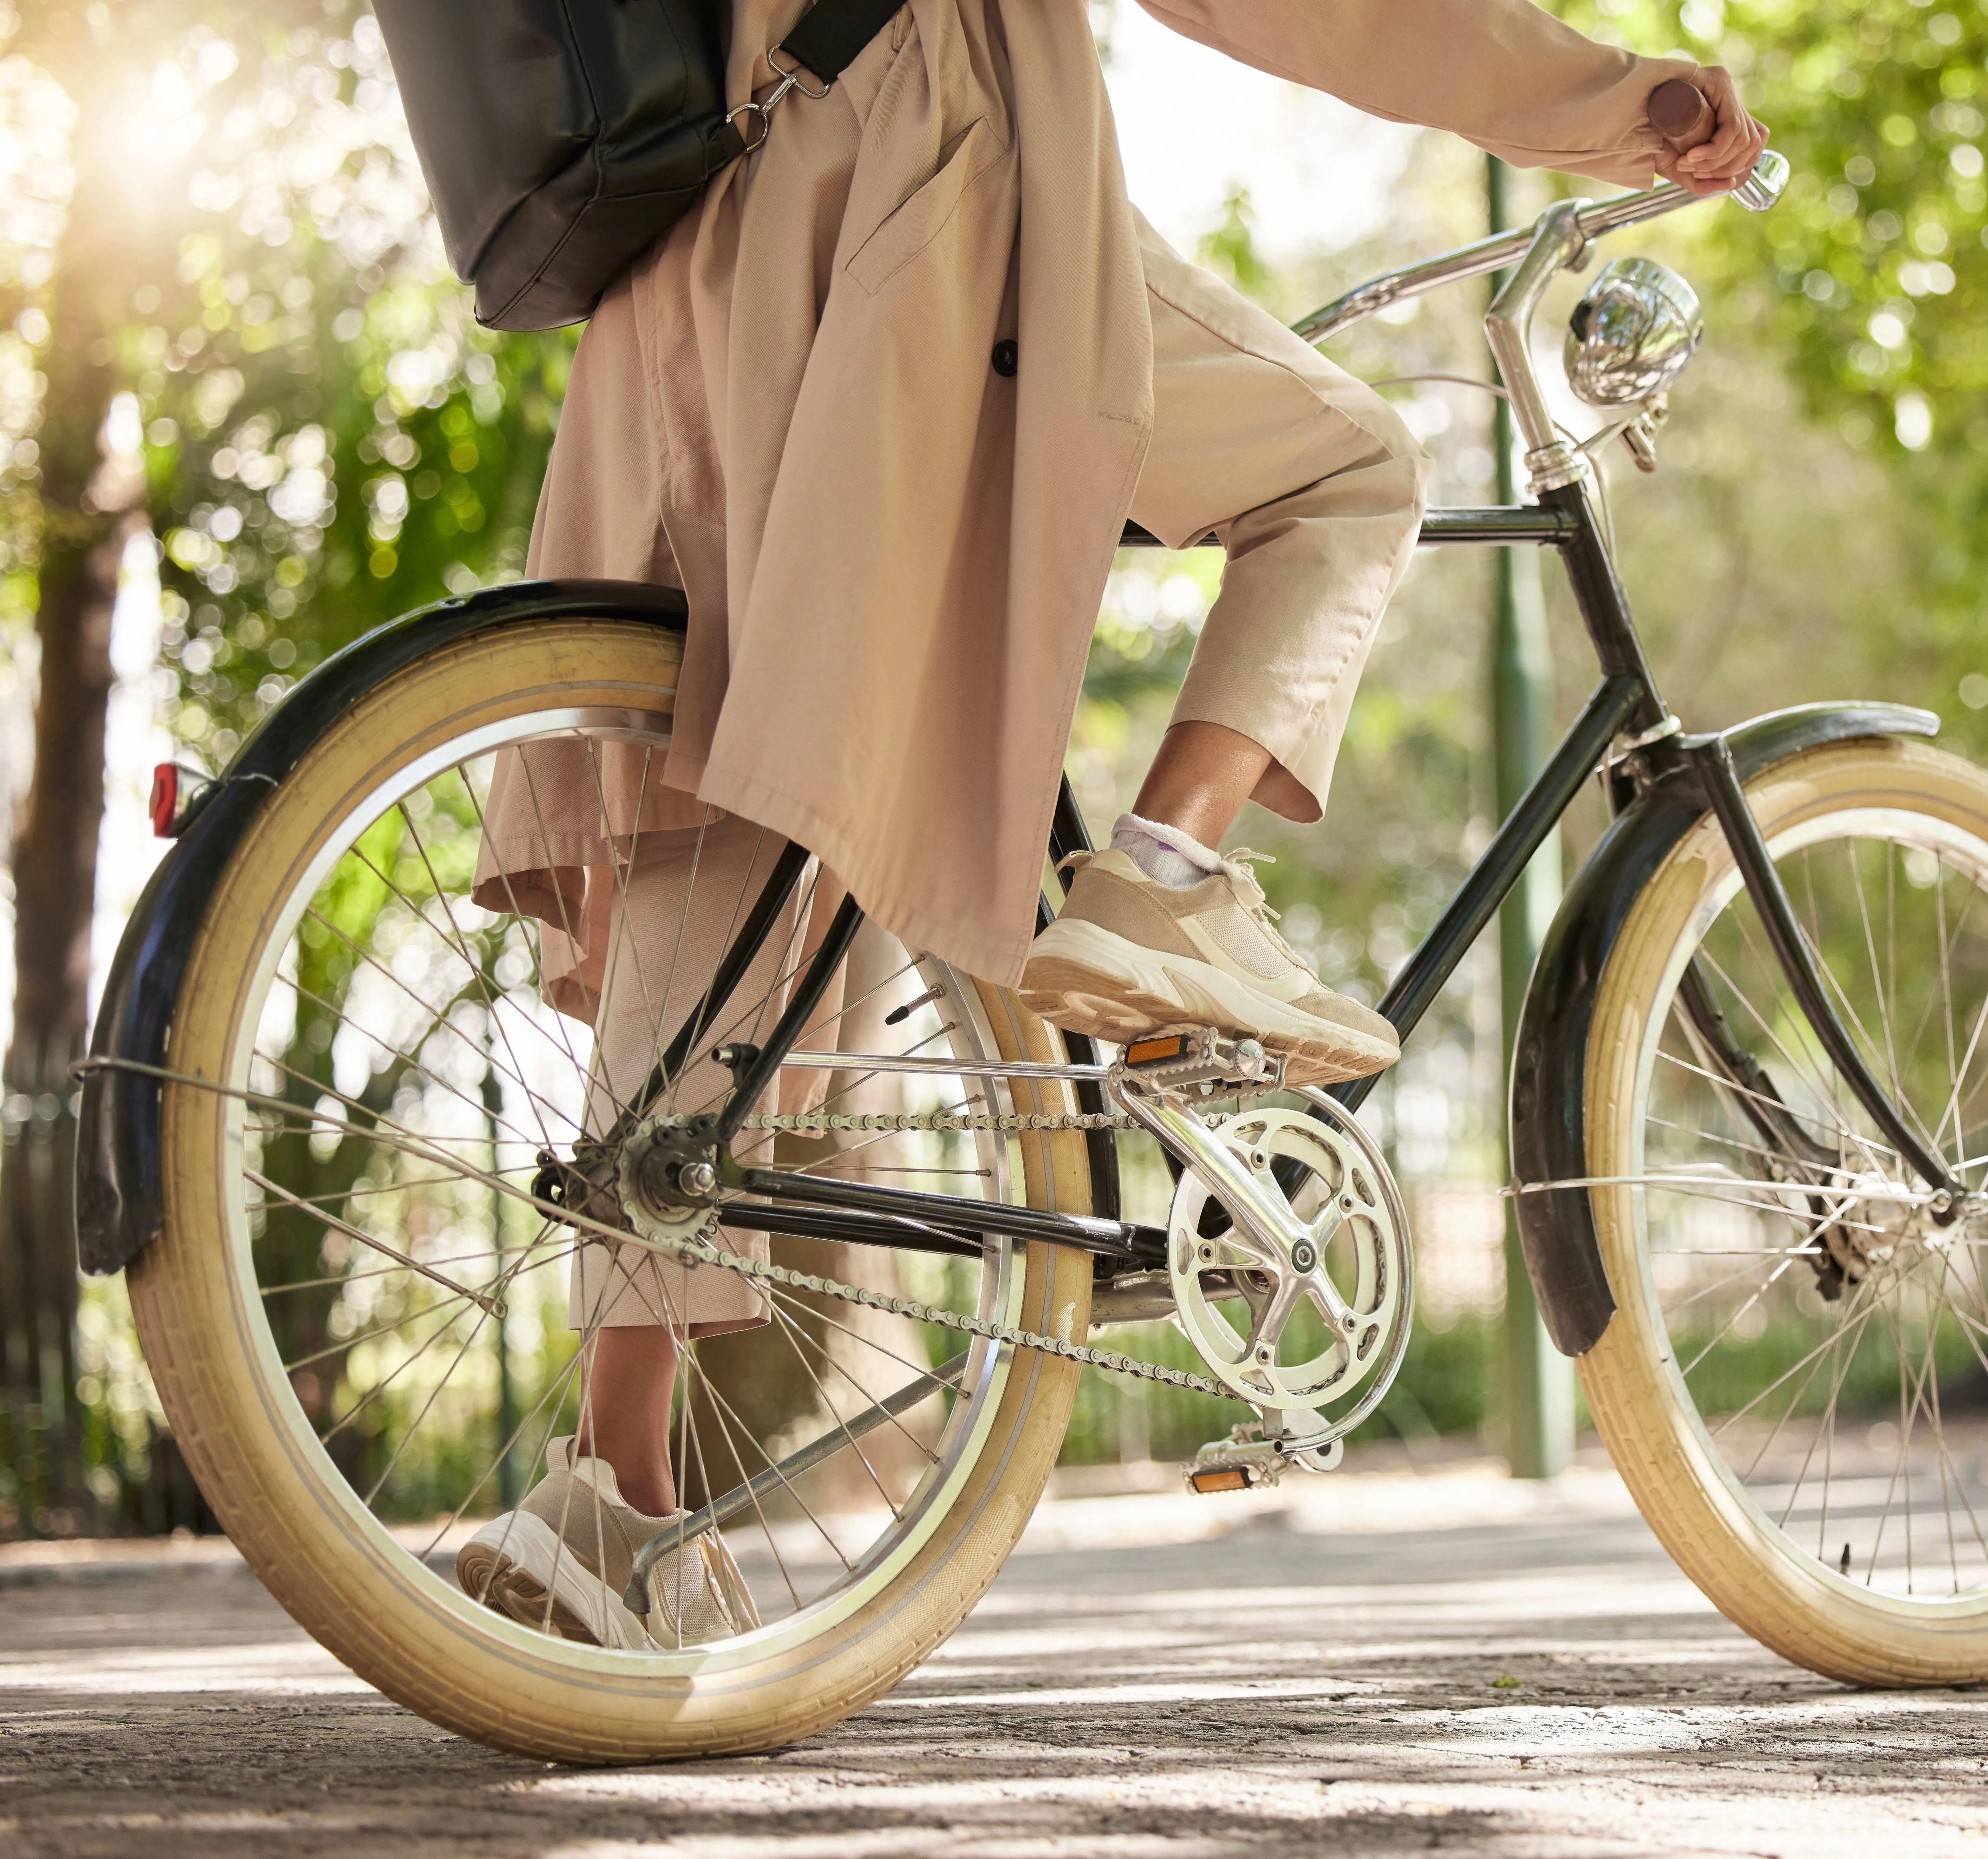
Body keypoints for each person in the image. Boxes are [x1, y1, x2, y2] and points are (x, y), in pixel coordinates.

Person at [456, 0, 1768, 1647]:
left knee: (722, 823)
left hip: (701, 237)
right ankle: (1159, 877)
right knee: (1349, 467)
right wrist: (1610, 104)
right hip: (913, 179)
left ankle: (612, 1494)